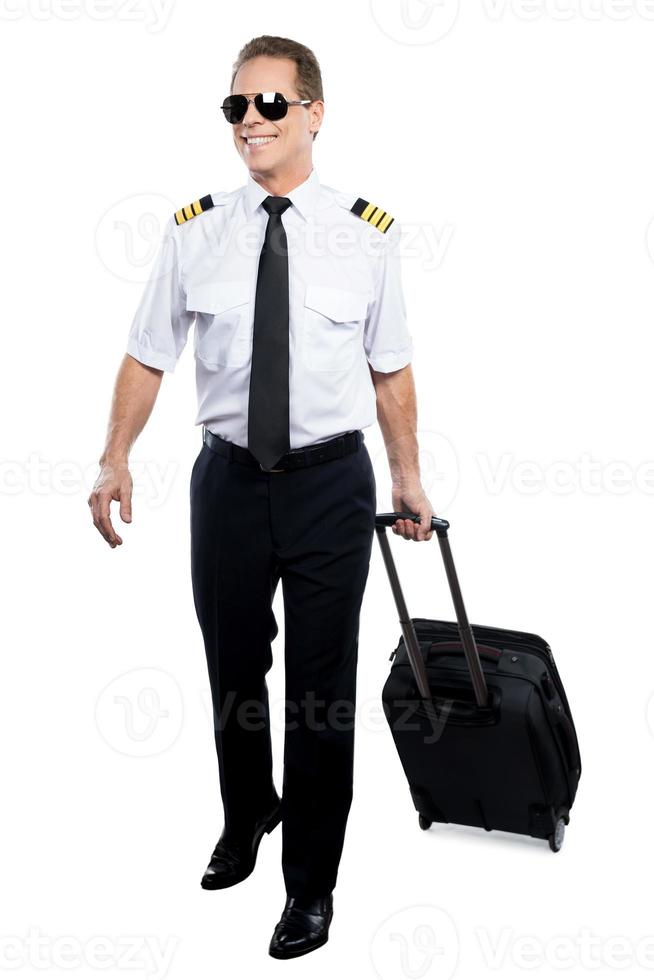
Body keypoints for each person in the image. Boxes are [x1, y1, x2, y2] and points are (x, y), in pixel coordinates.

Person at [88, 34, 436, 960]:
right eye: (237, 106)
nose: (251, 121)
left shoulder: (365, 234)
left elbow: (390, 369)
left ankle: (311, 885)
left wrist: (407, 484)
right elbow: (146, 350)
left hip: (329, 484)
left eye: (270, 105)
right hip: (229, 485)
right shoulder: (195, 228)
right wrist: (113, 457)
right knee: (234, 671)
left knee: (322, 697)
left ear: (314, 114)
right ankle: (248, 817)